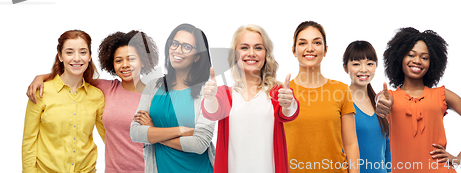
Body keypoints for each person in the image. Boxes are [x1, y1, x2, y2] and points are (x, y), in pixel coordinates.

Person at [26, 30, 160, 172]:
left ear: (143, 61)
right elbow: (74, 74)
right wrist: (41, 77)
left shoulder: (156, 96)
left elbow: (172, 138)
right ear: (111, 63)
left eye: (131, 59)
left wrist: (153, 129)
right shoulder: (106, 89)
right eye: (118, 60)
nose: (125, 65)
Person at [376, 27, 461, 172]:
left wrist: (459, 158)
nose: (417, 61)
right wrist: (381, 103)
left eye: (424, 57)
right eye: (411, 55)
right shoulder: (388, 96)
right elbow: (380, 100)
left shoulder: (442, 95)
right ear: (399, 57)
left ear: (432, 62)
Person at [202, 24, 300, 173]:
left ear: (266, 55)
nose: (251, 53)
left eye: (258, 48)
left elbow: (288, 113)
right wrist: (209, 97)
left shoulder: (277, 93)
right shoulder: (224, 94)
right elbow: (212, 111)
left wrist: (289, 103)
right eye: (244, 47)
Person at [130, 23, 215, 173]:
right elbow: (136, 132)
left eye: (187, 47)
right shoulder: (153, 86)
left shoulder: (207, 92)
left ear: (197, 56)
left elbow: (199, 144)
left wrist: (153, 131)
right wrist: (181, 130)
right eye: (174, 44)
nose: (177, 50)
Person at [22, 30, 105, 173]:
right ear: (60, 56)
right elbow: (29, 140)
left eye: (83, 52)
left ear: (90, 56)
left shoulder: (97, 95)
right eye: (69, 52)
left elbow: (109, 137)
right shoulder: (41, 91)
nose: (77, 58)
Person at [284, 21, 360, 173]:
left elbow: (350, 144)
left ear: (325, 50)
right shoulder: (281, 93)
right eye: (302, 43)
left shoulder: (341, 90)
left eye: (317, 42)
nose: (310, 48)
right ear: (294, 50)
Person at [342, 41, 390, 173]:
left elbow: (388, 149)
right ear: (345, 68)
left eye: (370, 63)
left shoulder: (381, 103)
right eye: (356, 64)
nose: (364, 69)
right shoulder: (340, 102)